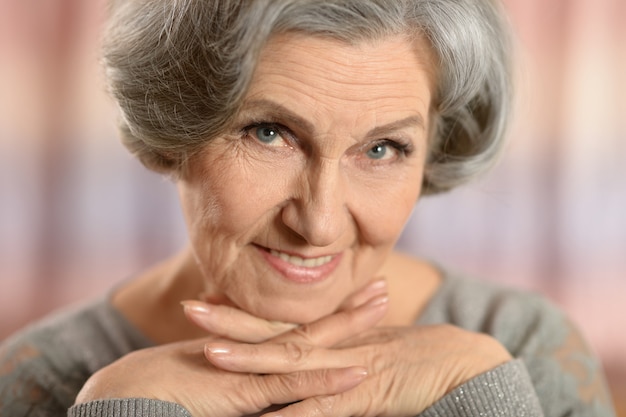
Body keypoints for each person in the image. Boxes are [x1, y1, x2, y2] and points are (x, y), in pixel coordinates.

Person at [0, 0, 617, 416]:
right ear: (178, 125)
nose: (318, 223)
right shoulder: (42, 376)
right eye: (269, 133)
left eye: (382, 148)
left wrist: (482, 394)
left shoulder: (524, 345)